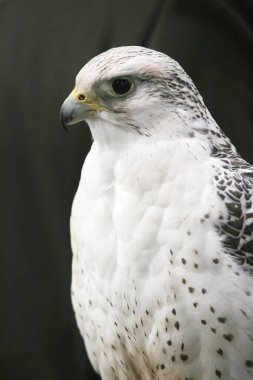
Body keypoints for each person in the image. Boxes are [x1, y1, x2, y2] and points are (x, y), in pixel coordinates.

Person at [0, 0, 252, 378]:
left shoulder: (230, 189)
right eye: (80, 91)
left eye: (120, 88)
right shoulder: (92, 186)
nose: (76, 102)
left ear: (174, 95)